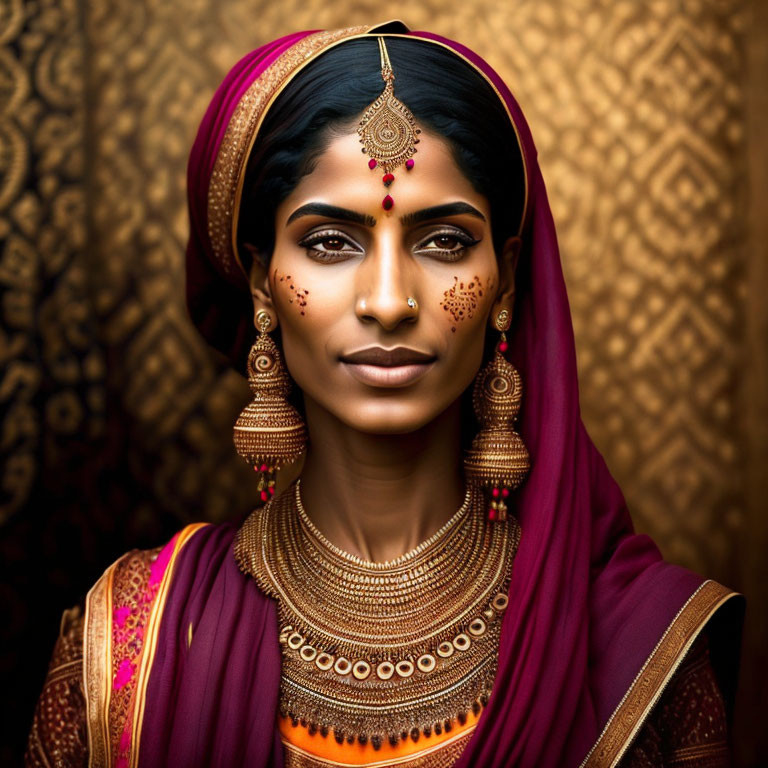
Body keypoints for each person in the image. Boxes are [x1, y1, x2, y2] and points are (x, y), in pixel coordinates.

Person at [26, 21, 744, 768]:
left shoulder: (639, 653)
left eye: (444, 242)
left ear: (505, 278)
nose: (391, 301)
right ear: (260, 278)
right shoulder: (131, 646)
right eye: (331, 242)